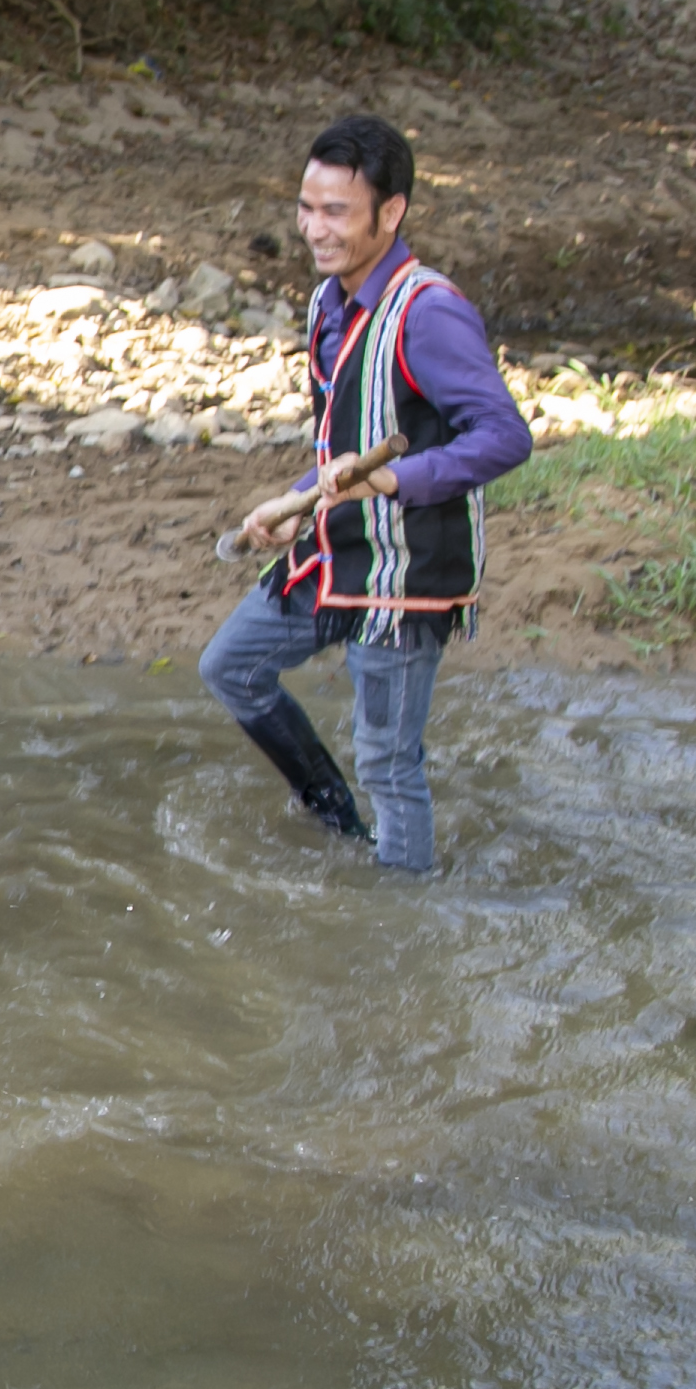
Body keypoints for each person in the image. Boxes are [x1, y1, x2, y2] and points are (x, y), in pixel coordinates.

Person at [198, 113, 534, 872]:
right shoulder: (328, 301)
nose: (315, 229)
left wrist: (392, 478)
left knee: (390, 763)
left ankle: (401, 913)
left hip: (405, 577)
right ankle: (338, 824)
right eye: (307, 208)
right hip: (333, 549)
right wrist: (294, 502)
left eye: (337, 212)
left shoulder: (430, 312)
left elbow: (506, 436)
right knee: (231, 669)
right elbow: (346, 436)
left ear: (392, 213)